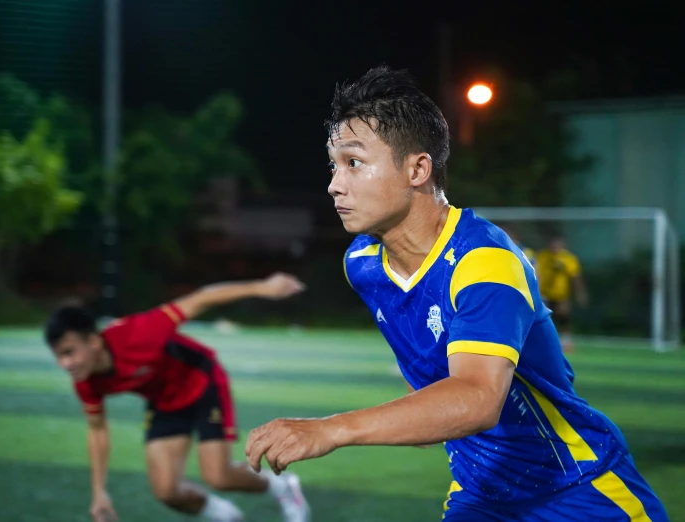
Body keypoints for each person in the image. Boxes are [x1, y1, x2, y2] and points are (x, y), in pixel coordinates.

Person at [245, 67, 668, 521]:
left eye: (354, 162)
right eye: (333, 164)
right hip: (480, 494)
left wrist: (332, 429)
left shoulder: (485, 261)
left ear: (418, 169)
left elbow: (477, 399)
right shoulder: (363, 265)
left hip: (579, 492)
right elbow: (433, 404)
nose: (334, 184)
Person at [45, 273, 311, 522]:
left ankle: (282, 486)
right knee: (166, 491)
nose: (65, 364)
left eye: (70, 352)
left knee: (219, 477)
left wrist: (262, 287)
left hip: (202, 382)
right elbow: (97, 431)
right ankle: (224, 515)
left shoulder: (139, 333)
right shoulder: (85, 380)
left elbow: (200, 299)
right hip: (164, 401)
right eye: (59, 356)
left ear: (93, 342)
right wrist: (99, 491)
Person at [536, 234, 588, 353]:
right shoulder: (543, 256)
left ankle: (566, 342)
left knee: (563, 318)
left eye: (557, 245)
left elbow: (575, 277)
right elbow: (537, 274)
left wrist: (580, 293)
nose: (555, 247)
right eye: (553, 244)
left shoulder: (568, 259)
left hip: (561, 295)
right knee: (545, 319)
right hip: (544, 294)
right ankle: (544, 342)